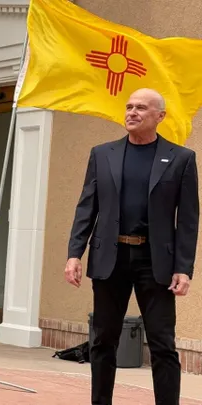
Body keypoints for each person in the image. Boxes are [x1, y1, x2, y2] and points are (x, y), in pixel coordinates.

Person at [65, 88, 199, 405]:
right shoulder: (102, 154)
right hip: (110, 257)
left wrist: (184, 267)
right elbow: (87, 208)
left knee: (163, 344)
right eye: (128, 107)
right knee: (103, 341)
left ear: (160, 116)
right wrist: (74, 253)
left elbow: (189, 220)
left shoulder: (181, 159)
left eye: (141, 107)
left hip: (156, 263)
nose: (132, 112)